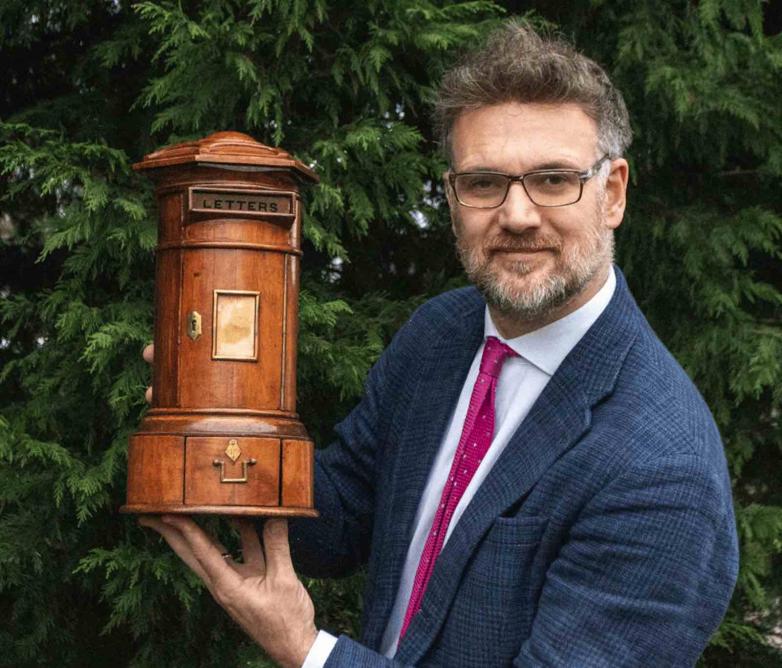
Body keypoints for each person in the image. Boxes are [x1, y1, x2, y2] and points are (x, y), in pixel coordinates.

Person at [140, 21, 739, 667]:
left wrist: (307, 652)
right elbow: (339, 523)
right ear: (453, 196)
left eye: (553, 179)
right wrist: (217, 413)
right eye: (483, 183)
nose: (516, 215)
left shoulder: (663, 468)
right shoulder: (440, 334)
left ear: (612, 193)